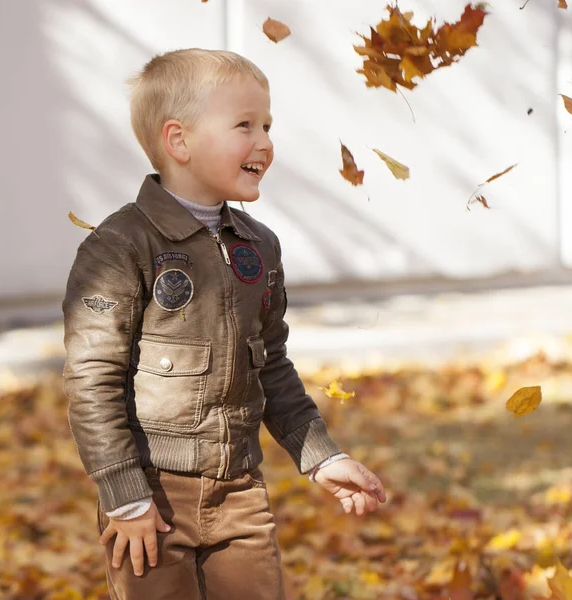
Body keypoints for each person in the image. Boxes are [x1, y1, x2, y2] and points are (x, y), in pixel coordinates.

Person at [62, 48, 386, 600]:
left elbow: (273, 365)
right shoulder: (121, 247)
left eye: (267, 125)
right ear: (179, 141)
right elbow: (93, 382)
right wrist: (125, 497)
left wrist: (321, 455)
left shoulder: (258, 246)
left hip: (241, 492)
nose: (264, 141)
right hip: (151, 496)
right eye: (244, 125)